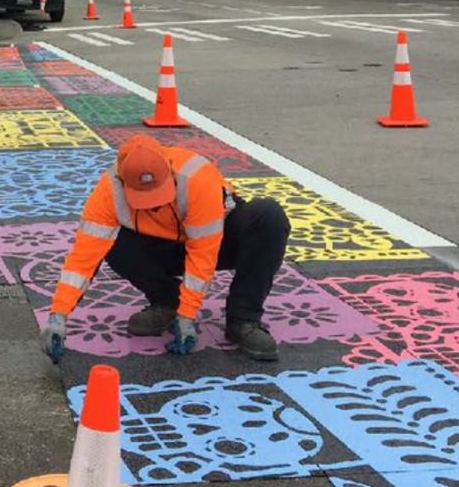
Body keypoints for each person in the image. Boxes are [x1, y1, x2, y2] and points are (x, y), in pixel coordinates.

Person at [40, 135, 290, 362]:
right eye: (144, 198)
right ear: (122, 181)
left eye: (159, 194)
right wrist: (58, 316)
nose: (154, 205)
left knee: (269, 217)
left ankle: (243, 319)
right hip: (162, 246)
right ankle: (167, 302)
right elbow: (83, 258)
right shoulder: (107, 192)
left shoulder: (198, 179)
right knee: (111, 242)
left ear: (170, 171)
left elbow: (202, 254)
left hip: (216, 240)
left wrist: (187, 316)